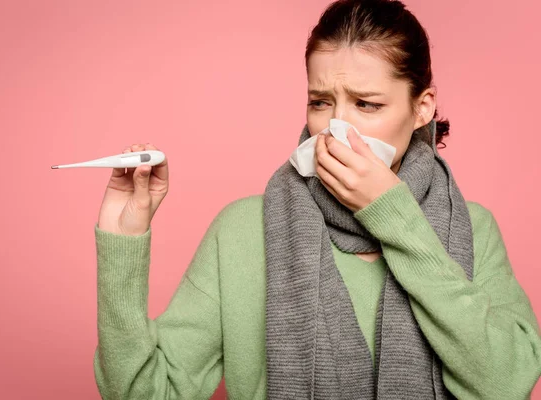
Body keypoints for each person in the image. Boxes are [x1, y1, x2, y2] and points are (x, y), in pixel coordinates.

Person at [92, 0, 541, 398]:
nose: (335, 128)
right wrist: (122, 243)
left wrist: (395, 218)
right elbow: (144, 394)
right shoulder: (244, 230)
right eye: (321, 102)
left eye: (366, 104)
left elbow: (506, 383)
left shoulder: (471, 228)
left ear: (421, 108)